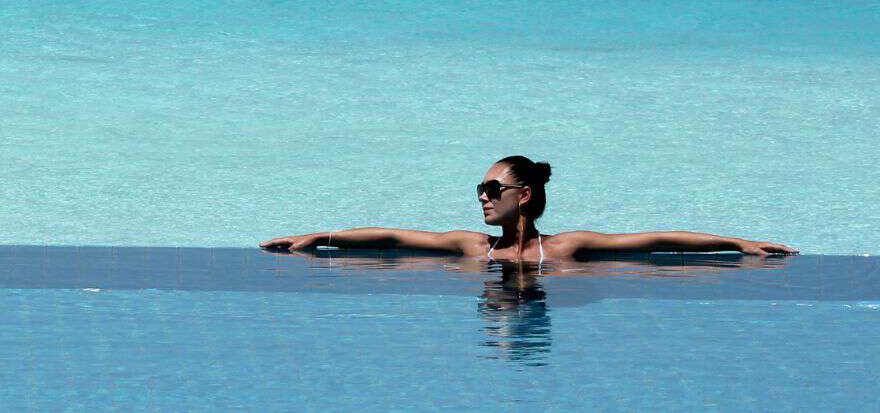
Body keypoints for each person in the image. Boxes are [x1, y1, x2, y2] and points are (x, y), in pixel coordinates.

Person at [260, 156, 798, 261]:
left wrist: (736, 243)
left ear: (526, 196)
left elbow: (654, 240)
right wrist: (320, 237)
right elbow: (396, 238)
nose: (483, 196)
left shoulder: (567, 248)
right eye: (480, 188)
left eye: (493, 188)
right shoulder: (470, 248)